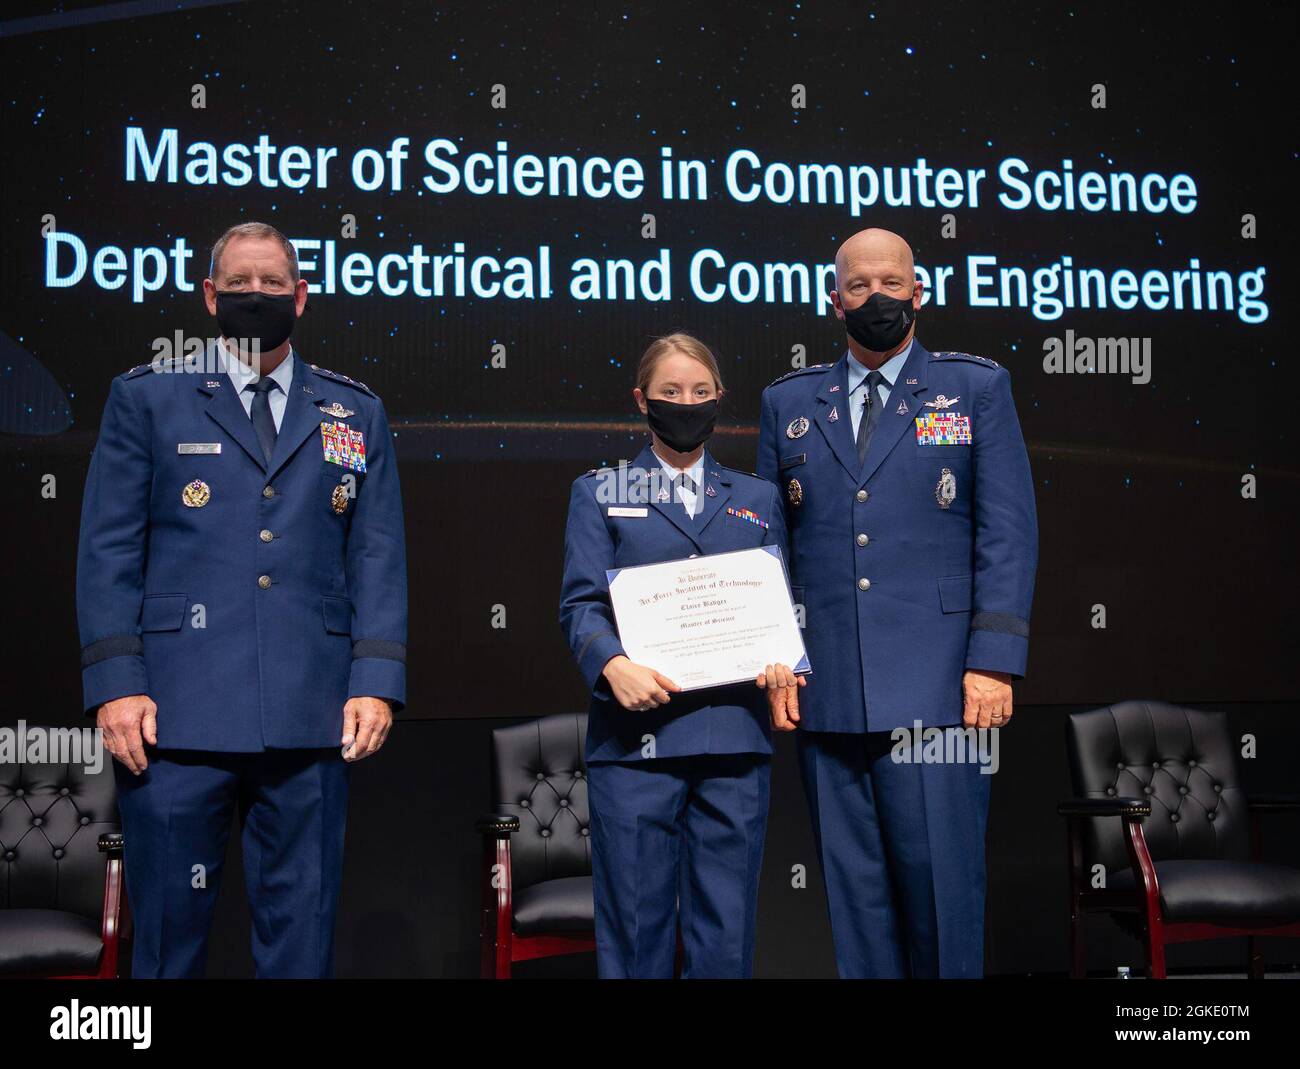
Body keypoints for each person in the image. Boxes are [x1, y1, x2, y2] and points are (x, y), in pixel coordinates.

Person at [76, 221, 408, 978]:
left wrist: (376, 682)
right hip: (172, 715)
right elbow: (107, 551)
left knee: (301, 939)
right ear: (208, 295)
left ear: (301, 296)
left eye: (270, 283)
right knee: (166, 941)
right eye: (238, 283)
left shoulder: (355, 412)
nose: (254, 295)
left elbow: (377, 554)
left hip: (311, 711)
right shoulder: (147, 398)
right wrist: (116, 682)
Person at [757, 228, 1038, 978]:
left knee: (943, 903)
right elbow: (767, 550)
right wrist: (778, 655)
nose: (875, 296)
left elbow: (1006, 533)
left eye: (891, 282)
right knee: (857, 912)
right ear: (833, 300)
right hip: (830, 697)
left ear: (921, 291)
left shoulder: (975, 388)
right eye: (858, 285)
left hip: (942, 691)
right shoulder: (787, 401)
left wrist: (994, 661)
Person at [560, 332, 798, 978]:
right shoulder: (600, 491)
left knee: (726, 933)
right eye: (669, 392)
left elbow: (780, 608)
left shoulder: (758, 498)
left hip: (733, 740)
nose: (685, 403)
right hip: (635, 740)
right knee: (636, 928)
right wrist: (612, 664)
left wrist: (782, 663)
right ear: (641, 399)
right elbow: (580, 606)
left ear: (719, 399)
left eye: (698, 392)